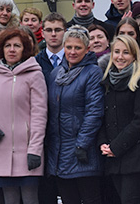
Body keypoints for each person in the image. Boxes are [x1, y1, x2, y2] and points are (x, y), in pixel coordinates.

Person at [0, 28, 47, 204]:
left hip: (27, 150)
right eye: (8, 45)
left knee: (31, 199)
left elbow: (39, 115)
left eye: (17, 45)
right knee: (9, 200)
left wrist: (35, 150)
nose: (12, 49)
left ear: (25, 49)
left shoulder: (35, 74)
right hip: (2, 148)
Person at [45, 26, 105, 204]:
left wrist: (82, 144)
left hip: (83, 151)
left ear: (87, 49)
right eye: (69, 47)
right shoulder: (56, 73)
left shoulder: (93, 72)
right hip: (58, 152)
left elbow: (94, 111)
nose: (72, 51)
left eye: (78, 48)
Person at [97, 35, 140, 204]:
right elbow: (103, 116)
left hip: (136, 157)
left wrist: (116, 146)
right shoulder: (108, 81)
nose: (120, 57)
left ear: (134, 55)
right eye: (116, 52)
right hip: (113, 158)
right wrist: (103, 143)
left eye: (126, 53)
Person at [35, 13, 66, 78]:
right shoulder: (36, 62)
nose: (53, 34)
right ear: (42, 33)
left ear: (65, 32)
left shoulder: (73, 58)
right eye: (49, 30)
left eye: (58, 30)